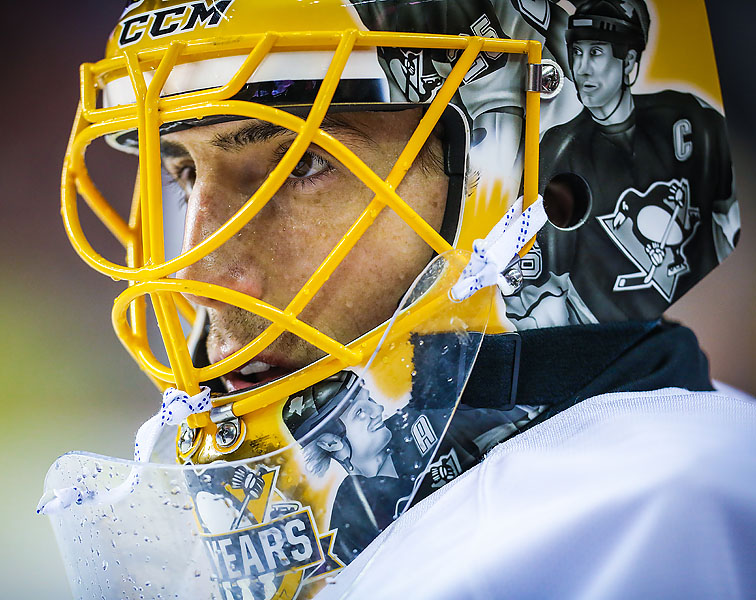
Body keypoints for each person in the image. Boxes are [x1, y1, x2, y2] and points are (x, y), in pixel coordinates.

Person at [40, 1, 756, 598]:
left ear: (555, 190)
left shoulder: (663, 508)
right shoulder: (391, 527)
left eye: (305, 165)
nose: (201, 273)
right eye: (185, 176)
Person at [508, 0, 740, 326]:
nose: (582, 67)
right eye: (577, 52)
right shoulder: (557, 149)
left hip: (706, 324)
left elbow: (731, 219)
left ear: (628, 60)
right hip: (601, 346)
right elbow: (540, 281)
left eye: (597, 52)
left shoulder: (690, 119)